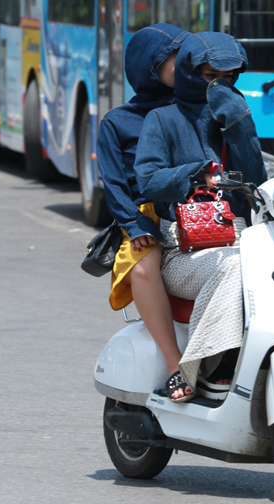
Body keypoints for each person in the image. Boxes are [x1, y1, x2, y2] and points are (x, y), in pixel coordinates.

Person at [133, 32, 268, 400]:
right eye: (211, 78)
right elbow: (147, 179)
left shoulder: (235, 116)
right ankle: (201, 366)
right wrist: (193, 174)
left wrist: (240, 127)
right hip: (184, 250)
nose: (220, 87)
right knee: (234, 266)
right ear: (191, 73)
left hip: (243, 239)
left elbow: (258, 179)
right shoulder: (162, 120)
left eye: (229, 80)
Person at [96, 24, 192, 402]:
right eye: (176, 58)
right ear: (150, 66)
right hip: (144, 216)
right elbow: (114, 184)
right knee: (143, 268)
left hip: (194, 211)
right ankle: (174, 365)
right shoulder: (116, 122)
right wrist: (135, 224)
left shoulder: (196, 109)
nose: (187, 65)